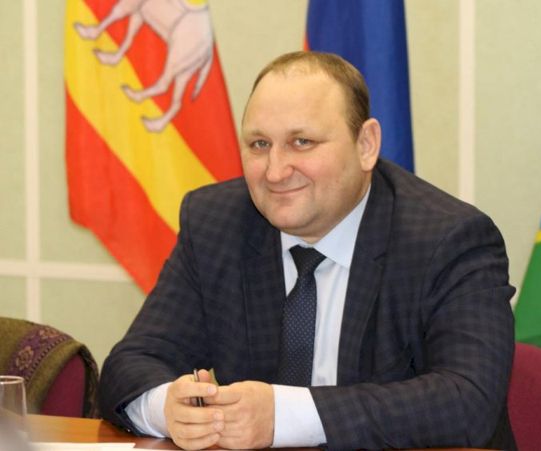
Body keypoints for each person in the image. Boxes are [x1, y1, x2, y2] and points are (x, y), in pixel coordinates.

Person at [98, 51, 517, 450]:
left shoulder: (448, 240)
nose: (276, 171)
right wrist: (169, 409)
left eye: (301, 142)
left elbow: (469, 401)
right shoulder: (216, 223)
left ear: (366, 145)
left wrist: (283, 416)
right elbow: (130, 365)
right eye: (259, 144)